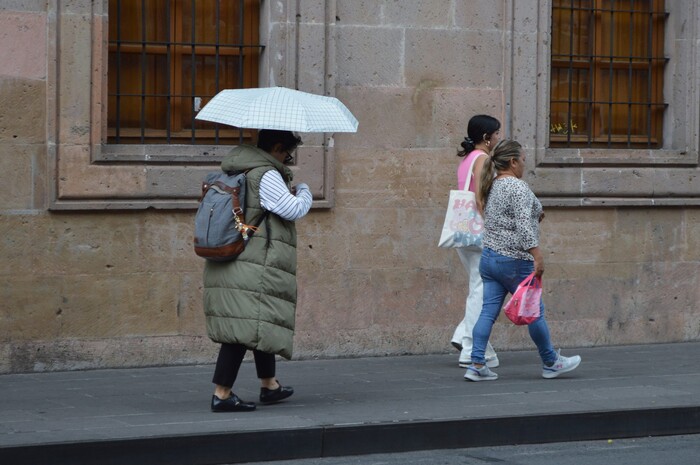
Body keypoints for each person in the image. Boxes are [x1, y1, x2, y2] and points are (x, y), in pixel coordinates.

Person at [203, 129, 313, 411]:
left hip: (236, 257)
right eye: (288, 154)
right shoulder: (265, 174)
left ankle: (269, 384)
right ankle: (222, 394)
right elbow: (293, 209)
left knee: (259, 319)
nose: (288, 160)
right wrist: (304, 191)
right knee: (241, 329)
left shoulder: (238, 169)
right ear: (276, 147)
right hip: (252, 262)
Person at [464, 139, 581, 382]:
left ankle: (476, 364)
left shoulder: (493, 184)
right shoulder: (517, 187)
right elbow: (525, 227)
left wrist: (536, 210)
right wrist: (537, 256)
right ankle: (550, 361)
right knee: (535, 312)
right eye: (524, 160)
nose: (525, 165)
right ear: (513, 161)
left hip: (489, 258)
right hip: (515, 261)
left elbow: (526, 212)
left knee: (487, 312)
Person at [450, 115, 501, 369]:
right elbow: (482, 199)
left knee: (477, 286)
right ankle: (470, 348)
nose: (498, 137)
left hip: (463, 230)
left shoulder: (466, 160)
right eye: (496, 133)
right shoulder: (482, 159)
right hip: (479, 231)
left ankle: (463, 335)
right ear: (486, 137)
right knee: (481, 289)